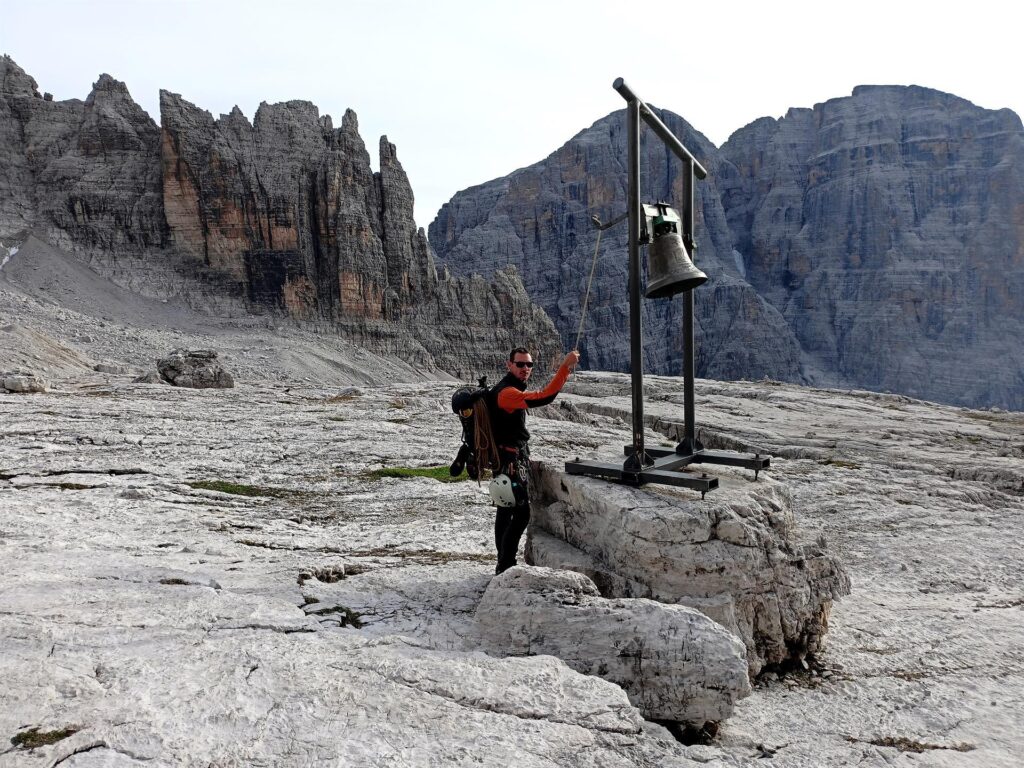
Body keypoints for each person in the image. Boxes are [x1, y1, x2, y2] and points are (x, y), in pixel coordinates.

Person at [487, 346, 580, 574]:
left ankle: (503, 563)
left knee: (504, 509)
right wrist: (565, 368)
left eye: (529, 365)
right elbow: (544, 397)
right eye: (520, 364)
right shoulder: (507, 393)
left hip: (502, 458)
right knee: (521, 513)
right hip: (510, 460)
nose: (525, 369)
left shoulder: (505, 388)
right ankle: (506, 565)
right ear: (509, 365)